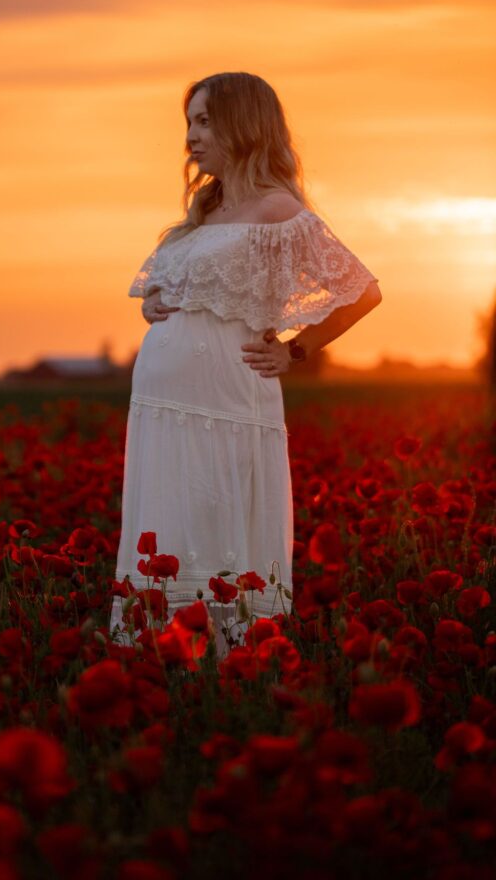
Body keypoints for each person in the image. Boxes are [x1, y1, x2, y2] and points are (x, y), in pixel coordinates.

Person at [109, 71, 382, 656]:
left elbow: (362, 291)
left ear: (244, 125)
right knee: (170, 528)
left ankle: (225, 667)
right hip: (161, 410)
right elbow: (187, 295)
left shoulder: (276, 208)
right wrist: (159, 301)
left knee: (214, 524)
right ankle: (165, 667)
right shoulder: (203, 213)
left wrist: (295, 349)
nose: (191, 137)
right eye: (189, 122)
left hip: (225, 404)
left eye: (205, 121)